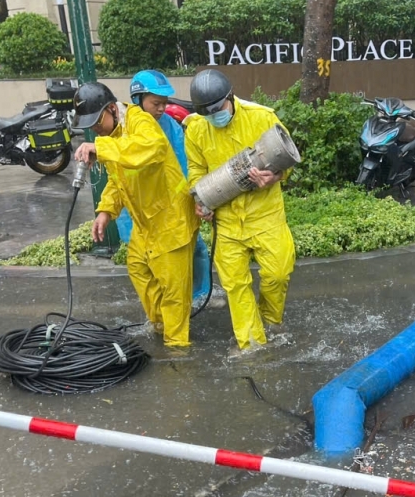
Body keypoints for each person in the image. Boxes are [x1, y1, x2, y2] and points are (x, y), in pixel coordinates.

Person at [72, 82, 198, 349]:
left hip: (171, 218)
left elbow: (152, 147)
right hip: (146, 222)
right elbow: (117, 180)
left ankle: (177, 348)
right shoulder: (113, 136)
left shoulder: (139, 120)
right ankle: (162, 325)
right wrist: (105, 211)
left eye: (97, 122)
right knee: (138, 268)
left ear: (111, 109)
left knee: (174, 289)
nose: (95, 129)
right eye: (90, 125)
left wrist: (102, 148)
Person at [184, 69, 295, 356]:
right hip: (226, 220)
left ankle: (270, 321)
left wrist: (274, 177)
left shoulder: (262, 118)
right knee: (235, 285)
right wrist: (201, 199)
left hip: (265, 215)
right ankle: (251, 344)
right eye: (207, 113)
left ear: (230, 96)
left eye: (217, 109)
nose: (214, 116)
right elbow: (195, 169)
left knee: (278, 273)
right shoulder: (196, 128)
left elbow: (289, 161)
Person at [127, 69, 223, 311]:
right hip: (148, 210)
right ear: (138, 99)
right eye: (156, 103)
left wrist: (195, 197)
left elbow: (186, 163)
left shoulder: (170, 125)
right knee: (153, 261)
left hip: (177, 203)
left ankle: (199, 294)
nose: (162, 108)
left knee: (195, 248)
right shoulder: (128, 130)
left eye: (164, 102)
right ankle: (163, 309)